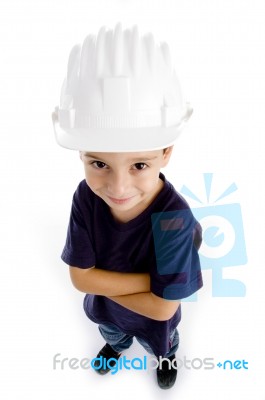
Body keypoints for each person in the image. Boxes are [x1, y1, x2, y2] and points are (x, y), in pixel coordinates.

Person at [52, 23, 203, 390]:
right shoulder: (86, 197)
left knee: (162, 340)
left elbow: (164, 309)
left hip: (156, 325)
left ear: (166, 152)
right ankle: (117, 346)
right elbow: (79, 278)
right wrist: (154, 285)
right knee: (113, 332)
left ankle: (165, 357)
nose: (118, 187)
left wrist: (103, 282)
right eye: (99, 163)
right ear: (81, 154)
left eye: (139, 165)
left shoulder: (173, 220)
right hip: (108, 312)